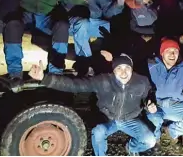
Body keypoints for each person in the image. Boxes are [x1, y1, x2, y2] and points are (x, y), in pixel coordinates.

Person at [27, 54, 157, 156]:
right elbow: (75, 85)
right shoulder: (103, 80)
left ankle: (131, 147)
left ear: (132, 69)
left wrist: (149, 103)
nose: (124, 73)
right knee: (98, 131)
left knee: (150, 140)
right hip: (108, 118)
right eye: (119, 68)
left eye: (127, 68)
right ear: (113, 70)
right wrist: (45, 78)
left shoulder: (142, 81)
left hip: (130, 119)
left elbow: (149, 94)